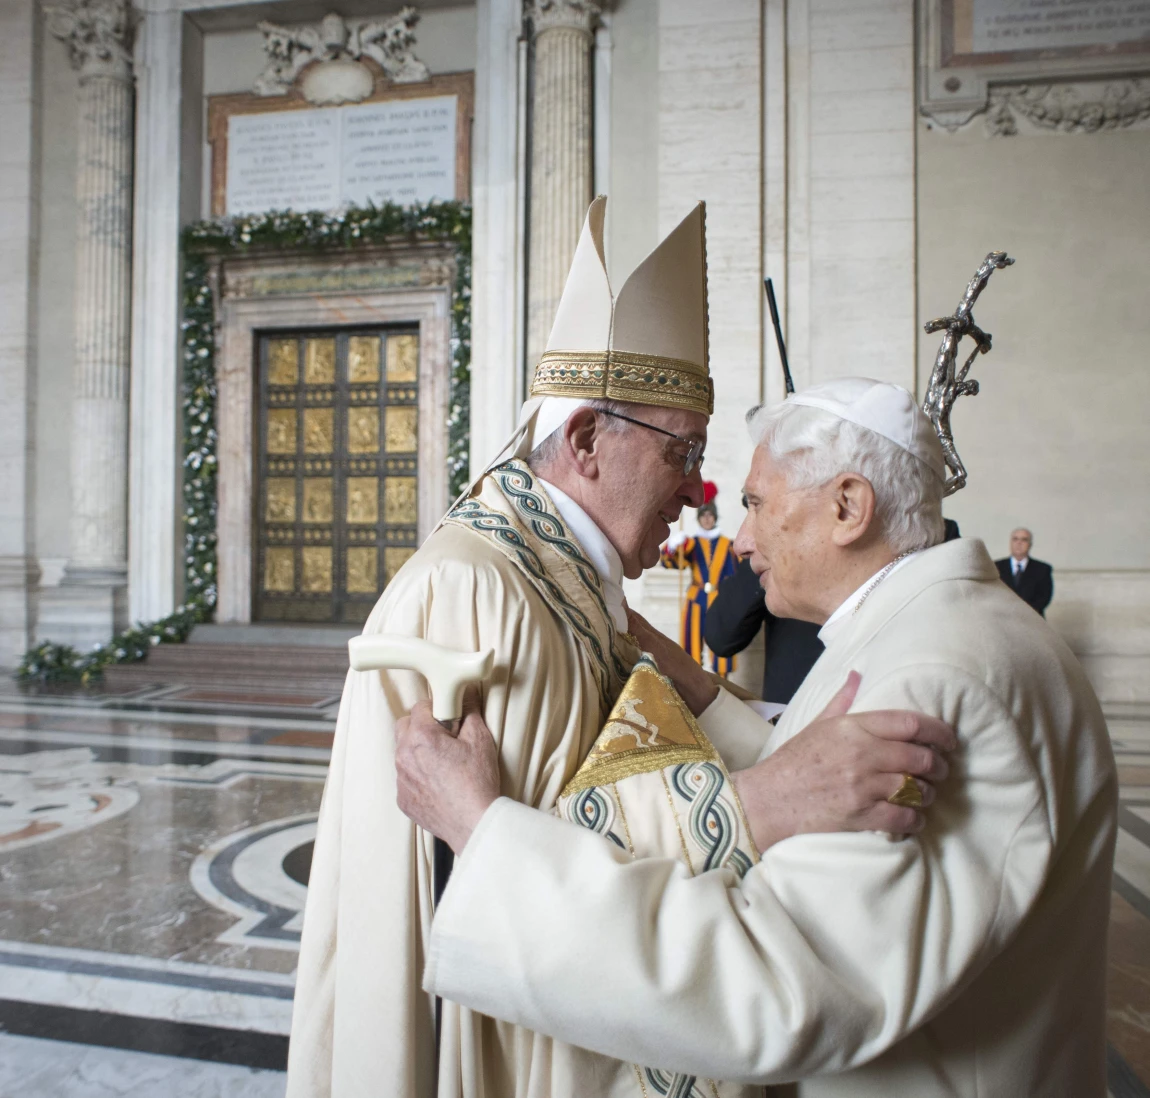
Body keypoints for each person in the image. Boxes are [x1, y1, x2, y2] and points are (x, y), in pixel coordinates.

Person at [286, 207, 954, 1098]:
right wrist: (753, 804)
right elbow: (478, 869)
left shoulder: (571, 576)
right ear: (586, 441)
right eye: (683, 452)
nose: (698, 491)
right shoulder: (475, 587)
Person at [396, 377, 1117, 1096]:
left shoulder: (934, 678)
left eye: (756, 504)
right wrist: (702, 695)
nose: (740, 541)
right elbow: (823, 789)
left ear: (847, 507)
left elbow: (777, 986)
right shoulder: (934, 629)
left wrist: (482, 835)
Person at [705, 555, 824, 704]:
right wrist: (765, 556)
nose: (740, 547)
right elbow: (720, 636)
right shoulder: (769, 555)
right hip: (788, 708)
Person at [660, 482, 739, 676]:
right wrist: (673, 547)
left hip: (720, 600)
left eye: (710, 515)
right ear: (699, 518)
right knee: (691, 646)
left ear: (715, 517)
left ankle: (723, 683)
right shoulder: (691, 544)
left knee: (722, 644)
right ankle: (695, 683)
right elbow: (671, 563)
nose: (707, 519)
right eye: (703, 515)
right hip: (696, 600)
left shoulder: (728, 545)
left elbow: (737, 572)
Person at [996, 527, 1054, 615]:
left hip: (1031, 618)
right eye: (1015, 539)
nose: (1019, 543)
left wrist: (1023, 613)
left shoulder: (1042, 569)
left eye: (1024, 540)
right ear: (1010, 543)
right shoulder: (996, 567)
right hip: (1002, 617)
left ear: (1030, 544)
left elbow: (1044, 597)